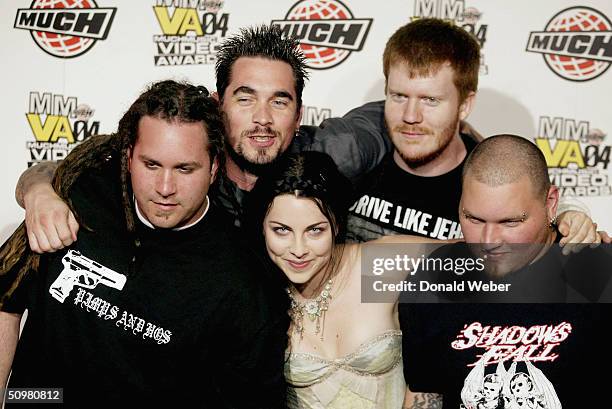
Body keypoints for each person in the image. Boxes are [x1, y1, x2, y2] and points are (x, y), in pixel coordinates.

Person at [12, 22, 600, 255]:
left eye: (281, 101)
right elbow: (72, 166)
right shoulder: (180, 155)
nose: (263, 118)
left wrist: (560, 216)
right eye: (246, 98)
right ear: (220, 105)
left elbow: (443, 137)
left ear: (300, 114)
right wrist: (38, 190)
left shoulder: (335, 152)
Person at [0, 80, 289, 408]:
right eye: (151, 165)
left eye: (184, 169)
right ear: (128, 157)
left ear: (213, 169)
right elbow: (5, 297)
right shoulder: (77, 196)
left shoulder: (244, 282)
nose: (165, 187)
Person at [344, 18, 602, 247]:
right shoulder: (355, 161)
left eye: (430, 100)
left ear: (465, 105)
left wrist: (567, 216)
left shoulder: (488, 181)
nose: (411, 116)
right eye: (398, 96)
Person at [399, 135, 612, 409]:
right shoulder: (433, 278)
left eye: (510, 222)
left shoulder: (599, 273)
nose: (488, 240)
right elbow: (424, 393)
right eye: (473, 218)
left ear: (550, 203)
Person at [244, 151, 436, 408]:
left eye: (315, 230)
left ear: (336, 224)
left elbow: (494, 259)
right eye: (282, 230)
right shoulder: (257, 293)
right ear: (262, 227)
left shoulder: (376, 267)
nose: (298, 249)